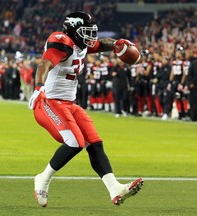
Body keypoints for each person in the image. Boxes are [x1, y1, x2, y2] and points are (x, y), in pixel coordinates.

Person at [28, 11, 144, 207]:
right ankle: (43, 178)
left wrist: (117, 44)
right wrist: (39, 87)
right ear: (72, 31)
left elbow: (102, 43)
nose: (91, 37)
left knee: (95, 142)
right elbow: (44, 64)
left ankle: (114, 188)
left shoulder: (80, 44)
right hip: (49, 102)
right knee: (74, 142)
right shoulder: (61, 41)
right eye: (86, 32)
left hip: (69, 104)